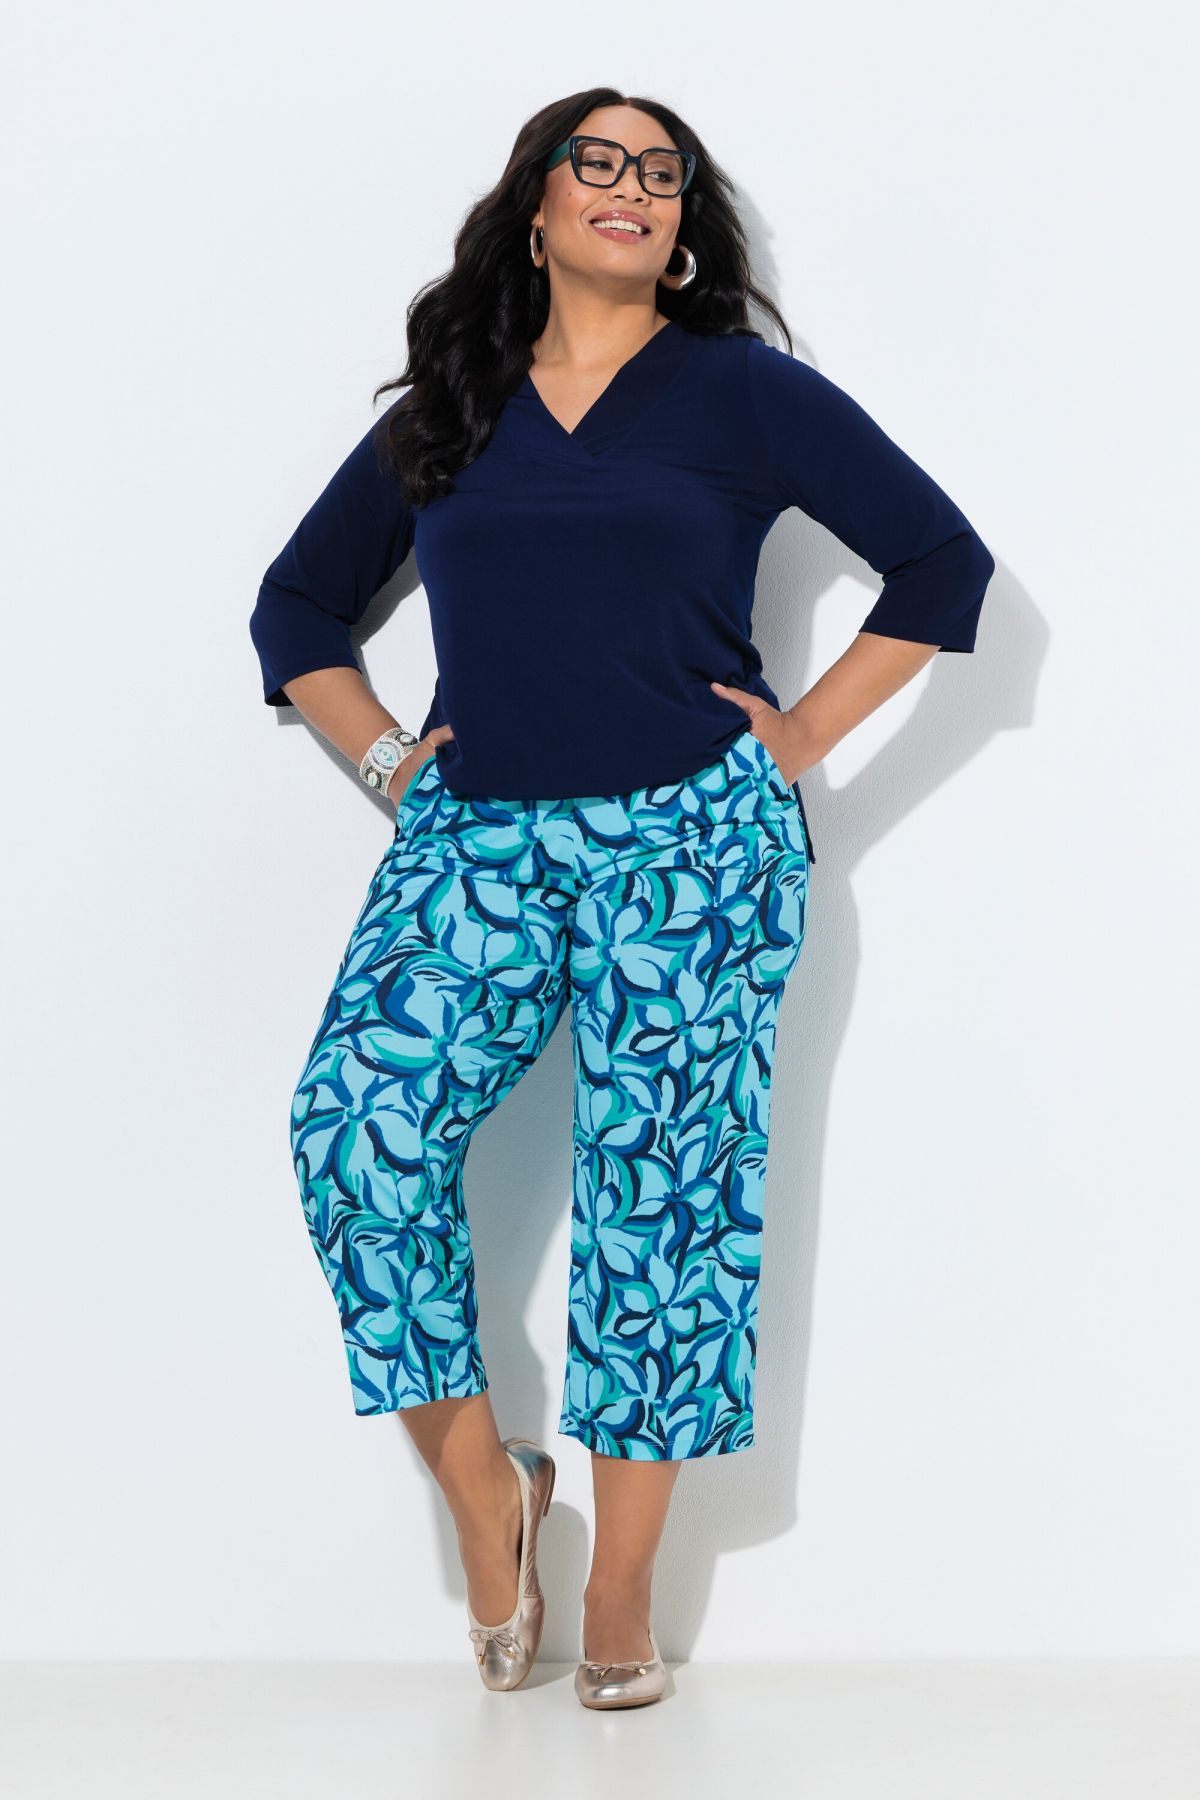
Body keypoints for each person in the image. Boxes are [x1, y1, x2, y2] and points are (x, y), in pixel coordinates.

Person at [248, 89, 995, 1709]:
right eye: (598, 161)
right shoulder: (453, 408)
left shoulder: (743, 393)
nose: (632, 186)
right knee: (354, 1128)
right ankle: (490, 1496)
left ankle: (626, 1582)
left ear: (683, 226)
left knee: (661, 1209)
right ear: (536, 205)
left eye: (662, 173)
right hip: (475, 840)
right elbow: (297, 608)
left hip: (693, 848)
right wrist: (390, 765)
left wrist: (800, 735)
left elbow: (944, 564)